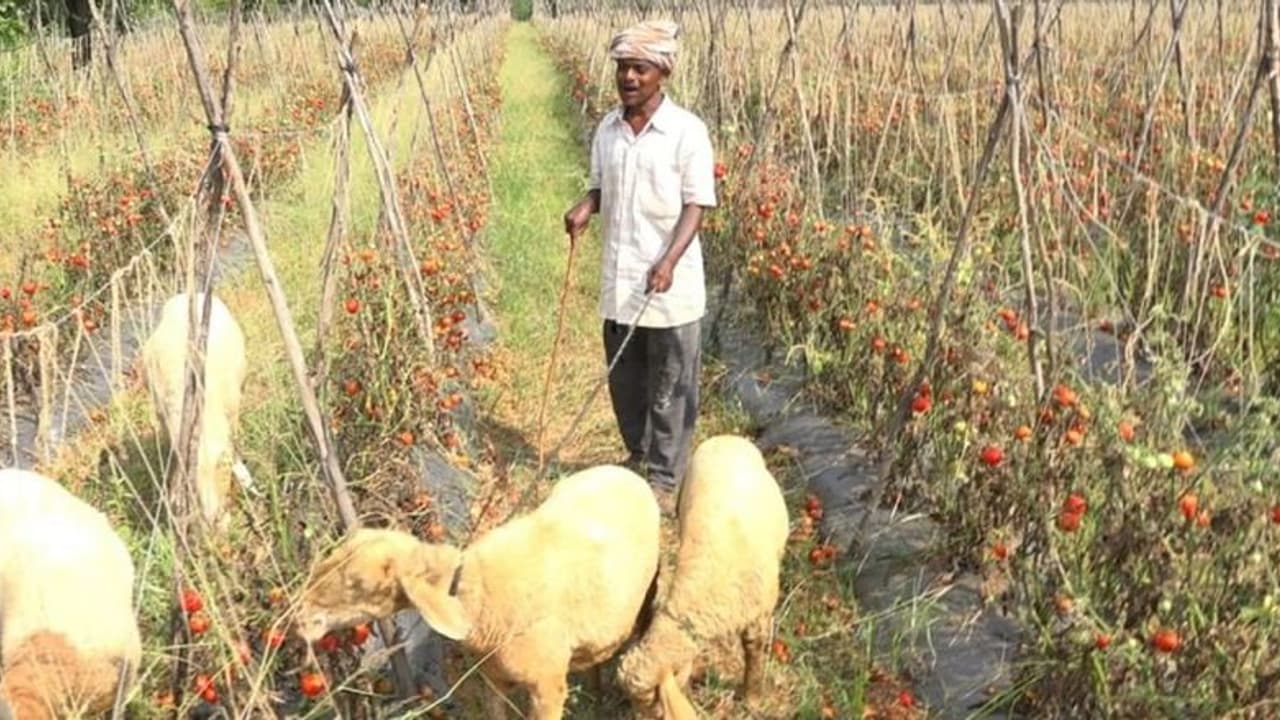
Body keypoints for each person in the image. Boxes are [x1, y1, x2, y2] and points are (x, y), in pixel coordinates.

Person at [563, 19, 717, 514]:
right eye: (622, 68)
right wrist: (587, 206)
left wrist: (669, 259)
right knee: (626, 382)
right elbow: (601, 186)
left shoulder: (686, 132)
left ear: (662, 74)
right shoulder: (607, 130)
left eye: (640, 69)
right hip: (621, 278)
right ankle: (638, 456)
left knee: (670, 386)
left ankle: (666, 480)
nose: (628, 77)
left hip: (669, 285)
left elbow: (697, 203)